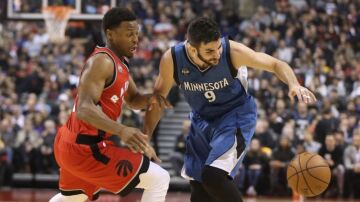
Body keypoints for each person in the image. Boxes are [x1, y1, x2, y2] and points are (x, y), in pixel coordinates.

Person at [143, 17, 316, 202]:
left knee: (213, 176)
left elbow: (275, 64)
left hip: (234, 116)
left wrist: (293, 84)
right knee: (199, 188)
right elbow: (157, 100)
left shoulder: (232, 52)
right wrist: (145, 137)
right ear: (192, 49)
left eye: (217, 48)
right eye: (209, 51)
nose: (217, 55)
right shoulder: (172, 60)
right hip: (201, 119)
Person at [49, 7, 171, 202]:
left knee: (73, 198)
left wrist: (151, 98)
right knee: (159, 178)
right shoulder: (102, 61)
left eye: (137, 34)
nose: (135, 39)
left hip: (71, 143)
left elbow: (132, 99)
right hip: (85, 148)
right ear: (110, 34)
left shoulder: (119, 62)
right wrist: (122, 130)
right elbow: (84, 109)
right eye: (129, 34)